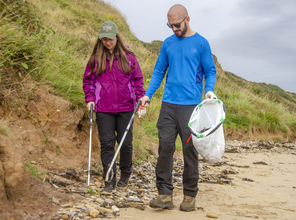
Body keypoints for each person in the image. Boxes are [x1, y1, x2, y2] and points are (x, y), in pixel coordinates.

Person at [140, 4, 217, 211]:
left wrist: (208, 90)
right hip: (168, 105)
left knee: (189, 149)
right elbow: (158, 72)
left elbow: (210, 71)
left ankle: (190, 195)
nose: (174, 29)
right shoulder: (168, 44)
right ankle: (164, 194)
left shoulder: (201, 43)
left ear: (187, 19)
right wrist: (148, 95)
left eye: (177, 25)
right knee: (165, 146)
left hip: (191, 106)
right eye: (170, 25)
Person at [83, 21, 146, 193]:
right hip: (103, 107)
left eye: (110, 39)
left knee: (125, 144)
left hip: (126, 106)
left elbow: (137, 81)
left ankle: (126, 173)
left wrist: (141, 100)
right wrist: (90, 98)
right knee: (107, 143)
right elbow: (88, 81)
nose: (107, 42)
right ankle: (109, 178)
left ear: (117, 37)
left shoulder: (129, 57)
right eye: (104, 39)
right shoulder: (95, 58)